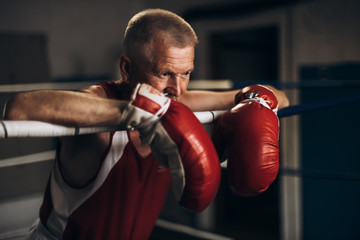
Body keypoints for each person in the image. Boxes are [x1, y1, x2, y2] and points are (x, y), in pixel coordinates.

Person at [3, 9, 289, 240]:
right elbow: (19, 108)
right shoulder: (95, 106)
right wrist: (136, 112)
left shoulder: (175, 102)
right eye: (164, 73)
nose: (177, 89)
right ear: (127, 68)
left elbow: (279, 97)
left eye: (186, 73)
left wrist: (257, 101)